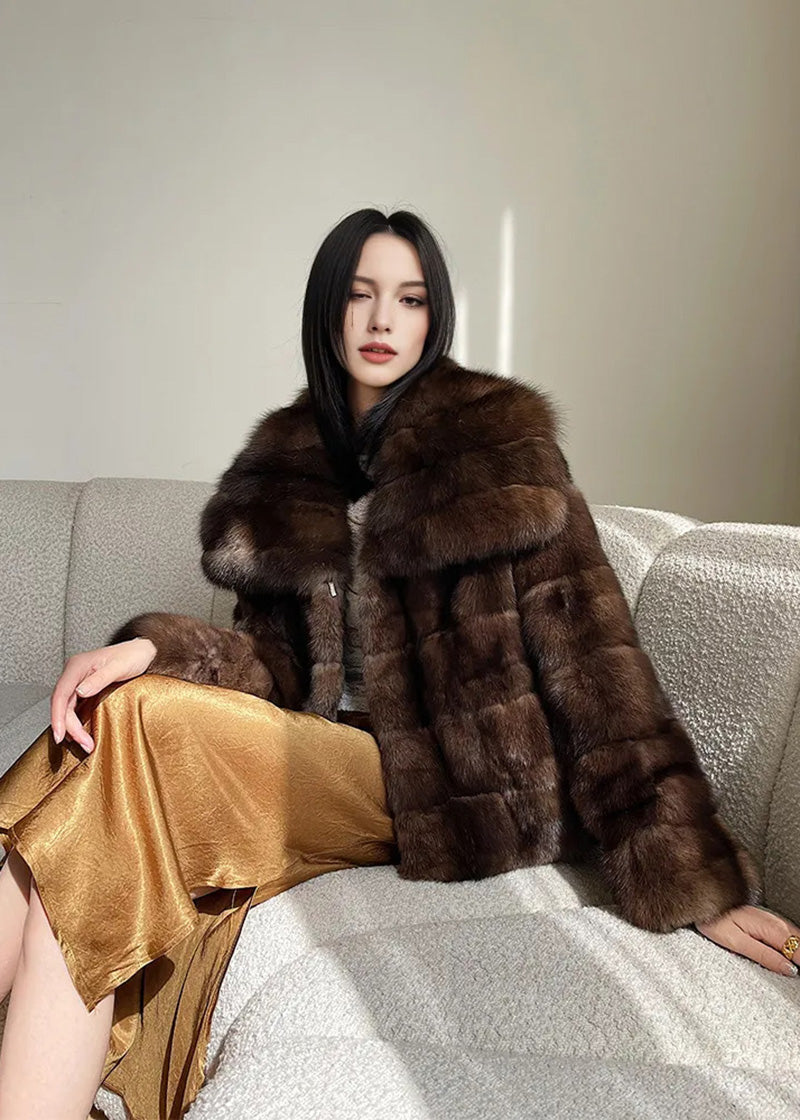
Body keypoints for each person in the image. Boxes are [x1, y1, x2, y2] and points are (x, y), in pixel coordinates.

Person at [0, 207, 797, 1120]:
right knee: (111, 720)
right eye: (361, 295)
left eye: (410, 299)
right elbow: (275, 667)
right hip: (318, 757)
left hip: (456, 788)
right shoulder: (286, 464)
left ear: (434, 316)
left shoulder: (499, 449)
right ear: (327, 310)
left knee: (139, 715)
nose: (383, 320)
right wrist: (156, 646)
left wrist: (691, 877)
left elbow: (598, 668)